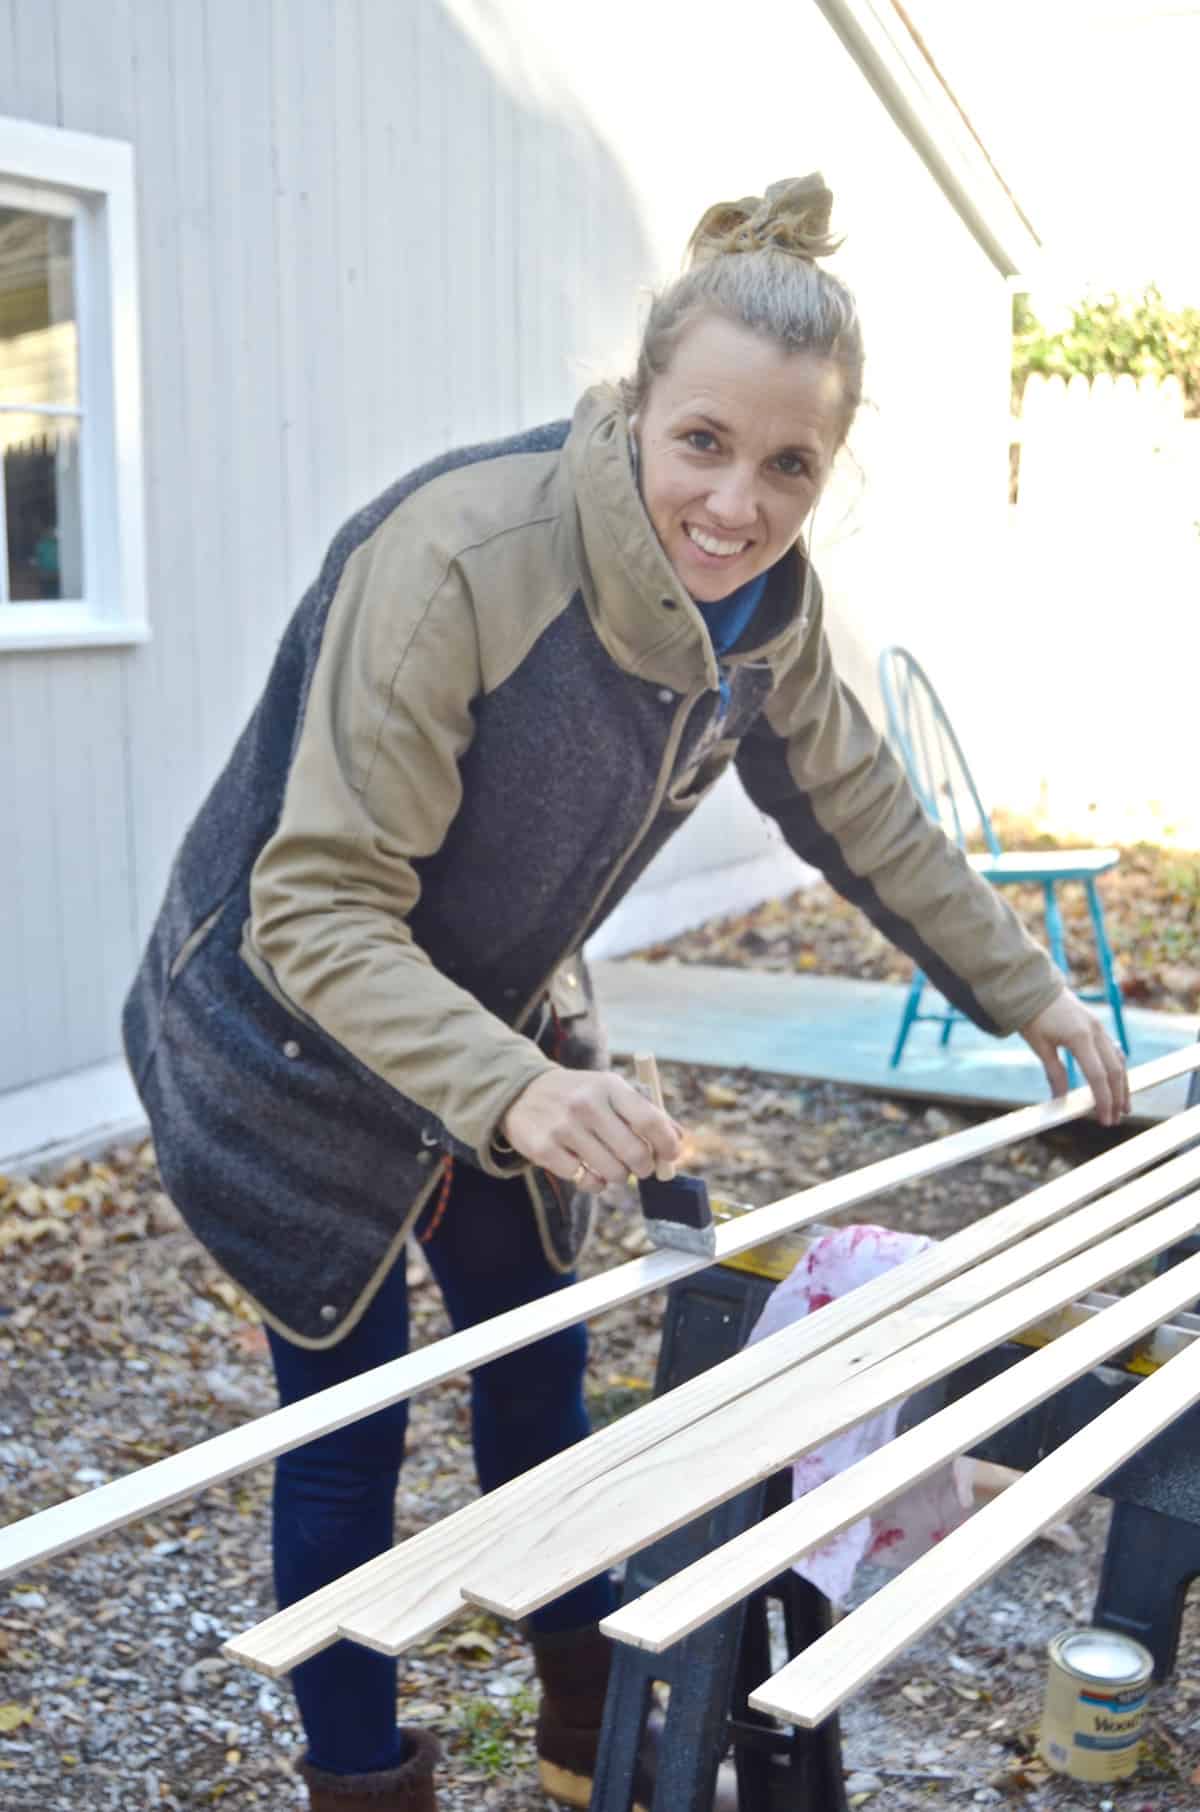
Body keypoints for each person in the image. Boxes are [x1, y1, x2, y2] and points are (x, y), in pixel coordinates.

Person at [122, 174, 1129, 1812]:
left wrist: (1035, 997)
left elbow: (863, 808)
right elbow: (313, 905)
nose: (736, 503)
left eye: (789, 464)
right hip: (284, 1024)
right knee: (346, 1415)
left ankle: (592, 1724)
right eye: (703, 444)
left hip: (498, 1007)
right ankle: (359, 1775)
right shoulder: (462, 556)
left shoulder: (763, 621)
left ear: (828, 466)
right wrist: (517, 1089)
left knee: (543, 1366)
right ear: (635, 410)